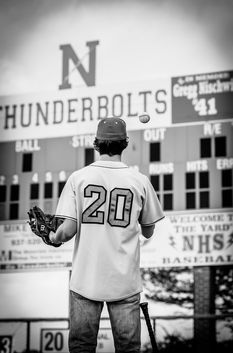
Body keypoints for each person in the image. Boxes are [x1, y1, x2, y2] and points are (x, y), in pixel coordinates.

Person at [49, 117, 164, 353]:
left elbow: (67, 231)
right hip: (125, 281)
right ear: (125, 144)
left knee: (82, 347)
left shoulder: (78, 178)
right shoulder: (139, 180)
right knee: (128, 348)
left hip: (85, 280)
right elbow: (149, 230)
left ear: (96, 144)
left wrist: (53, 237)